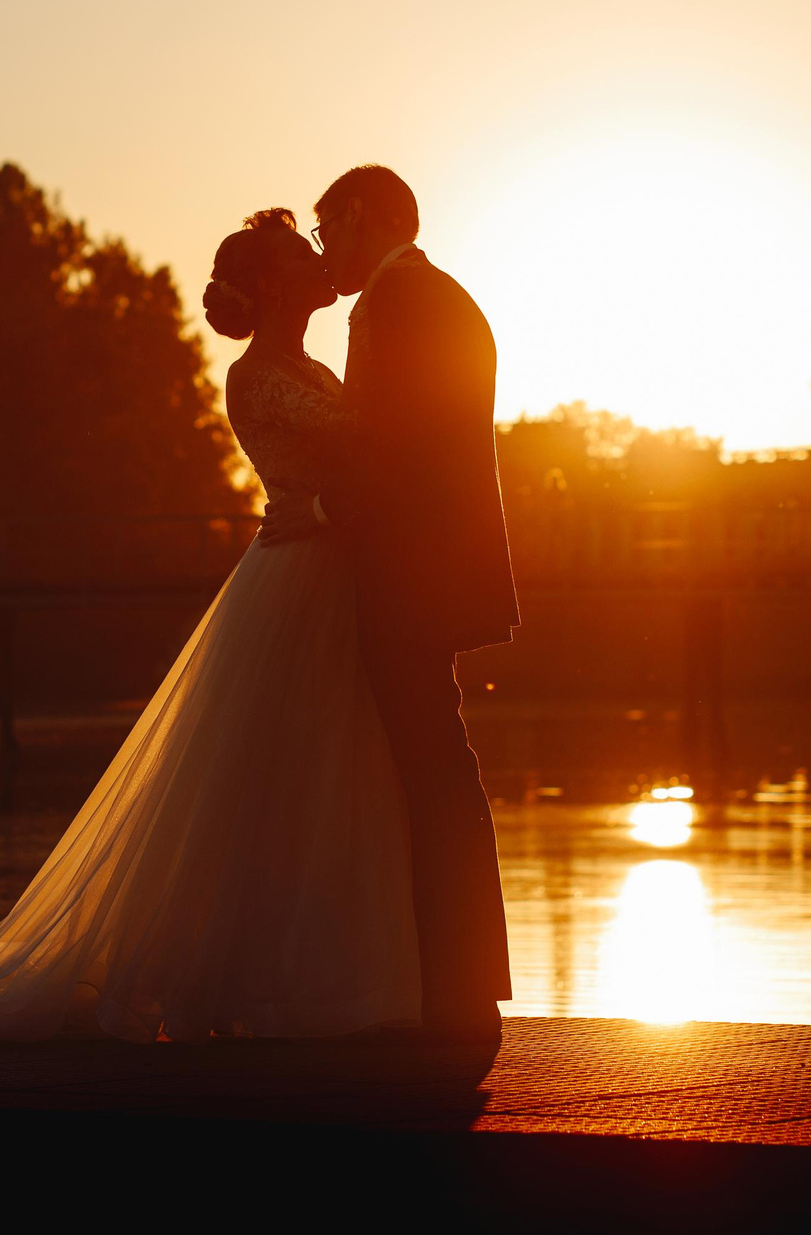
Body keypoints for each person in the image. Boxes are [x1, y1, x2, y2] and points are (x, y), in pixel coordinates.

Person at [0, 208, 420, 1044]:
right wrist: (335, 498)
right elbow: (342, 462)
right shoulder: (257, 373)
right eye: (303, 253)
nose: (318, 259)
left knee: (330, 775)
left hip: (332, 574)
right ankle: (253, 981)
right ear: (272, 285)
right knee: (274, 781)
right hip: (295, 578)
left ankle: (315, 978)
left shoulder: (314, 367)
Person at [303, 164, 518, 1042]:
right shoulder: (449, 298)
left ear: (363, 215)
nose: (328, 251)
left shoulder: (388, 307)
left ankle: (450, 986)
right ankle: (459, 978)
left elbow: (382, 443)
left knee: (426, 771)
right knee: (441, 766)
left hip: (409, 572)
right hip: (443, 569)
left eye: (329, 230)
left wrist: (318, 510)